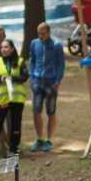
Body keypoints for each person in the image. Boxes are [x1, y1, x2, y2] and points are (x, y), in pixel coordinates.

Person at [0, 39, 29, 159]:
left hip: (16, 98)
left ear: (12, 49)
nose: (4, 49)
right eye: (2, 47)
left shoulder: (19, 61)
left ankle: (13, 149)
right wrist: (0, 79)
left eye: (6, 47)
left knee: (15, 125)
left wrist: (12, 78)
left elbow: (25, 76)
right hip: (2, 98)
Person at [29, 22, 64, 152]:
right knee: (36, 111)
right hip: (37, 82)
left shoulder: (56, 46)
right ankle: (40, 138)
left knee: (51, 112)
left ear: (48, 32)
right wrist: (32, 78)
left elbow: (61, 64)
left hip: (51, 83)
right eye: (38, 33)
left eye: (43, 33)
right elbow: (32, 60)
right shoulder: (34, 43)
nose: (40, 36)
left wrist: (58, 80)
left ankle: (49, 139)